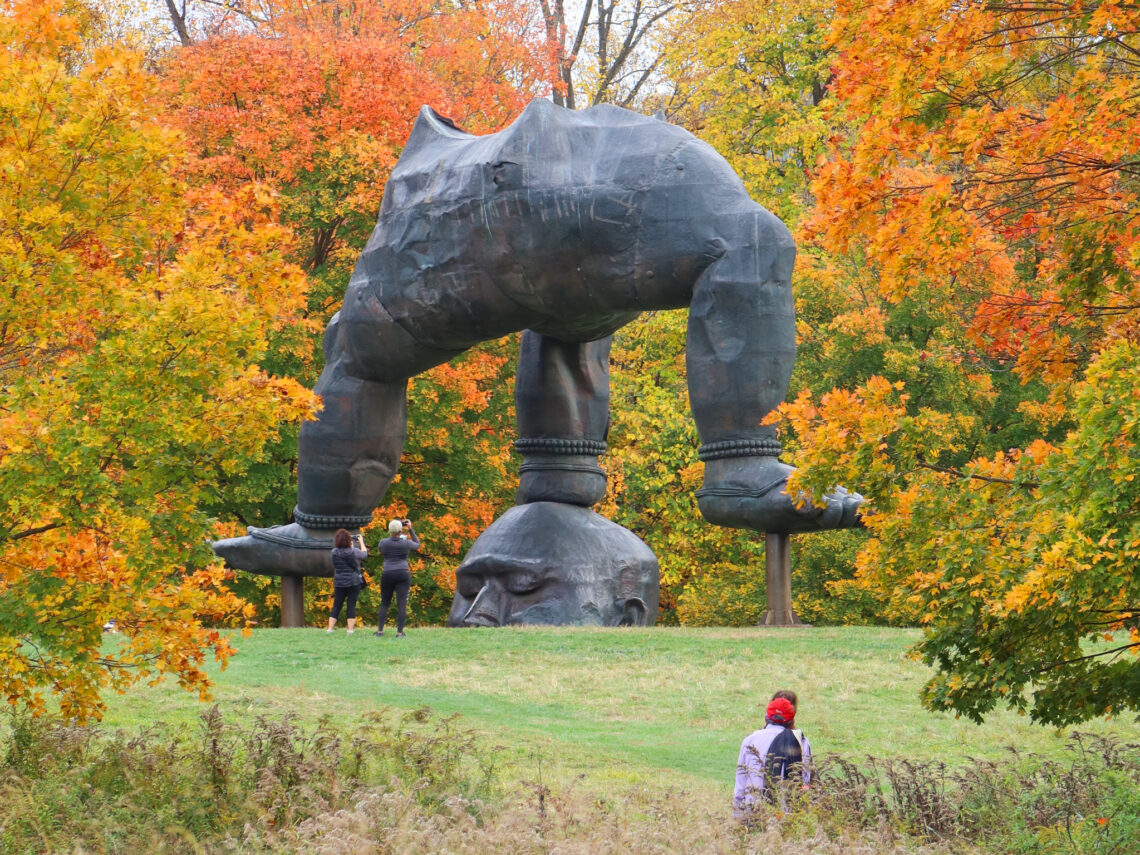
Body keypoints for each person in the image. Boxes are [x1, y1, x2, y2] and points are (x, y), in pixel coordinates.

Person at [733, 690, 813, 819]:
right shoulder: (801, 742)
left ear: (766, 717)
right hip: (787, 816)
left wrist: (737, 817)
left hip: (753, 811)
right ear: (792, 720)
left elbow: (740, 784)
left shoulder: (750, 740)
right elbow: (806, 782)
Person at [374, 518, 420, 637]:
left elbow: (381, 550)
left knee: (384, 602)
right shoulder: (406, 543)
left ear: (390, 530)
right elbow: (417, 545)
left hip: (388, 572)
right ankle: (399, 632)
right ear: (400, 530)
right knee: (401, 603)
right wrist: (410, 529)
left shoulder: (383, 542)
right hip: (402, 573)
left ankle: (379, 631)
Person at [327, 529, 367, 634]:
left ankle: (330, 629)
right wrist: (361, 541)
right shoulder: (353, 551)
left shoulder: (334, 552)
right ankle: (350, 630)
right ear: (349, 540)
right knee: (351, 605)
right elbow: (364, 555)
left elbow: (344, 555)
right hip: (353, 582)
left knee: (337, 605)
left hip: (339, 582)